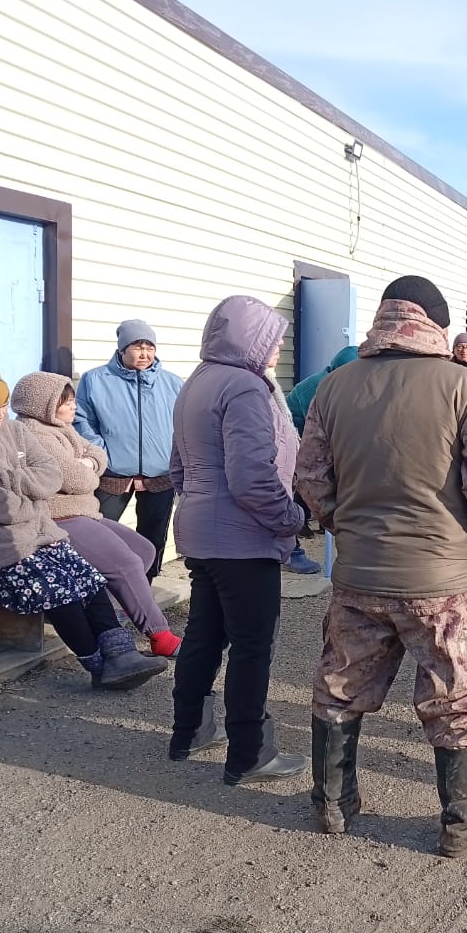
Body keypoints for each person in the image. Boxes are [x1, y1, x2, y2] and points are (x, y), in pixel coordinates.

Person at [297, 275, 467, 857]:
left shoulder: (332, 388)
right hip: (441, 583)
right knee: (456, 696)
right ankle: (463, 824)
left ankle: (332, 805)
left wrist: (346, 528)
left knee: (339, 687)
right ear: (437, 324)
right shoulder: (465, 388)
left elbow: (311, 478)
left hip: (359, 575)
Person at [0, 369, 168, 691]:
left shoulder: (15, 430)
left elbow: (51, 475)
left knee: (88, 576)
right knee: (58, 589)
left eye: (2, 406)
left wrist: (11, 480)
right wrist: (33, 500)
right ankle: (98, 666)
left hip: (37, 534)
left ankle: (121, 653)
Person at [167, 296, 307, 786]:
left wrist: (201, 507)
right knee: (252, 646)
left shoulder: (197, 381)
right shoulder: (245, 386)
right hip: (243, 539)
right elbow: (251, 477)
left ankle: (189, 731)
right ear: (251, 339)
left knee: (204, 635)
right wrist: (291, 518)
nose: (278, 347)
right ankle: (249, 753)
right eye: (273, 338)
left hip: (201, 532)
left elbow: (178, 467)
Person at [10, 372, 183, 658]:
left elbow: (100, 455)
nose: (73, 406)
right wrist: (87, 468)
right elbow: (76, 480)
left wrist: (87, 464)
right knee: (126, 563)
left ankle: (113, 614)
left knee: (144, 550)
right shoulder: (34, 433)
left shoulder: (62, 428)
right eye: (65, 402)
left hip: (83, 511)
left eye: (72, 400)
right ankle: (159, 635)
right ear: (44, 404)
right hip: (59, 516)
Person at [74, 319, 184, 582]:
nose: (145, 354)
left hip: (160, 474)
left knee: (153, 536)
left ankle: (145, 586)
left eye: (150, 347)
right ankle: (100, 589)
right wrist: (102, 452)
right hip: (112, 473)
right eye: (137, 347)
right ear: (122, 349)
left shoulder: (172, 383)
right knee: (99, 533)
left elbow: (183, 423)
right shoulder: (95, 379)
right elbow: (82, 420)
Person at [282, 344, 359, 573]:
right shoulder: (319, 387)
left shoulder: (339, 384)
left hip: (303, 439)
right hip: (292, 439)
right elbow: (318, 427)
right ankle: (292, 546)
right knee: (296, 488)